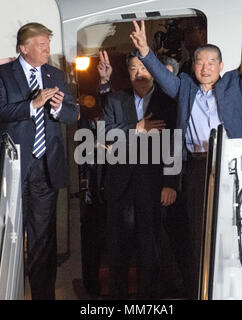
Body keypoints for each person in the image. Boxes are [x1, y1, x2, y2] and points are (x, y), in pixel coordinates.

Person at [129, 18, 242, 299]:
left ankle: (239, 288)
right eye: (200, 62)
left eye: (212, 62)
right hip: (197, 168)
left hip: (232, 166)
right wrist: (145, 50)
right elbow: (162, 76)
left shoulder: (234, 84)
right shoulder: (184, 87)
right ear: (193, 66)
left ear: (221, 67)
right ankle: (203, 290)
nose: (206, 67)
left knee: (235, 228)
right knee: (200, 233)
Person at [0, 22, 79, 300]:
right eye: (41, 45)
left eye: (48, 45)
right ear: (24, 48)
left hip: (45, 168)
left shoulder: (55, 75)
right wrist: (33, 104)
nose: (47, 50)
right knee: (10, 237)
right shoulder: (1, 74)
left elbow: (73, 114)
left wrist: (60, 107)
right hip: (13, 168)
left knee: (43, 241)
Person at [101, 51, 178, 299]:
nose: (139, 73)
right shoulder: (116, 100)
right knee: (118, 248)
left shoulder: (167, 102)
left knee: (150, 247)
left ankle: (150, 298)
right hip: (120, 184)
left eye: (144, 68)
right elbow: (106, 135)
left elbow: (174, 144)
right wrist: (137, 128)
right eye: (134, 69)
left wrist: (170, 183)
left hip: (154, 185)